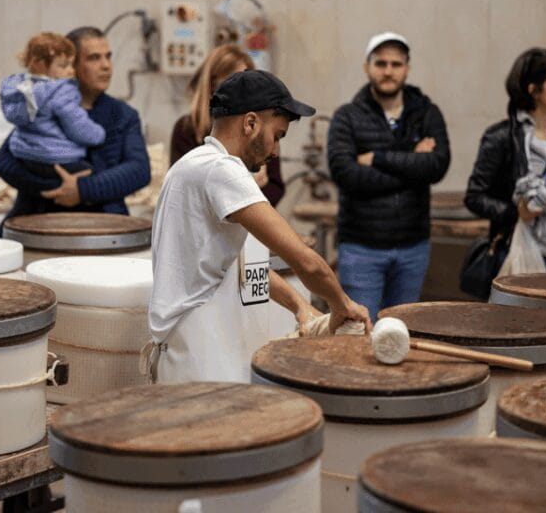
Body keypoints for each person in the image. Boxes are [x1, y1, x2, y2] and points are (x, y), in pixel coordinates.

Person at [147, 70, 371, 383]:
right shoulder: (222, 170)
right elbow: (305, 262)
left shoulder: (192, 164)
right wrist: (343, 305)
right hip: (200, 355)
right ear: (250, 123)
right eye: (277, 136)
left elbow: (240, 266)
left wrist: (300, 306)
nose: (276, 151)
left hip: (191, 348)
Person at [327, 32, 450, 322]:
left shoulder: (427, 113)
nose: (388, 71)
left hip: (413, 247)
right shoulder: (347, 116)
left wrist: (378, 159)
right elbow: (347, 175)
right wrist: (412, 163)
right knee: (361, 331)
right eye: (380, 63)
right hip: (361, 248)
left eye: (396, 64)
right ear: (367, 67)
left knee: (401, 332)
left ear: (407, 68)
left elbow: (437, 166)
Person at [0, 26, 150, 220]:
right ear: (71, 65)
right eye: (94, 58)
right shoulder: (42, 105)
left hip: (103, 219)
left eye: (108, 57)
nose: (106, 66)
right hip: (39, 215)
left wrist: (83, 190)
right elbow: (4, 162)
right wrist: (59, 188)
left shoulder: (123, 115)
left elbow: (139, 170)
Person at [465, 48, 546, 274]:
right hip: (518, 249)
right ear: (534, 90)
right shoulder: (501, 137)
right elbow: (474, 197)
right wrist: (516, 212)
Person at [170, 44, 285, 206]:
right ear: (212, 86)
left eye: (248, 87)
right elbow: (187, 193)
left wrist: (257, 189)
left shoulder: (259, 129)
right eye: (236, 85)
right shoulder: (187, 129)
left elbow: (275, 187)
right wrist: (245, 188)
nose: (244, 94)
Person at [0, 32, 105, 179]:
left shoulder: (18, 88)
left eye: (71, 64)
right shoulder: (61, 91)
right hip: (55, 157)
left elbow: (14, 116)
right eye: (64, 66)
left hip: (24, 155)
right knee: (96, 175)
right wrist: (98, 134)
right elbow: (77, 127)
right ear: (39, 65)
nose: (71, 70)